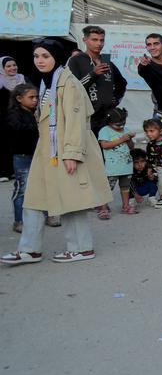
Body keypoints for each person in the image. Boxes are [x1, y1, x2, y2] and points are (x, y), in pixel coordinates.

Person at [1, 39, 112, 265]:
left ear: (56, 58)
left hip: (66, 150)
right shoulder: (47, 82)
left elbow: (76, 120)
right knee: (32, 199)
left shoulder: (68, 82)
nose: (39, 60)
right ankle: (30, 250)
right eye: (36, 56)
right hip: (47, 151)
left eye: (45, 56)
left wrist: (72, 153)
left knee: (71, 200)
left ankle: (81, 248)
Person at [67, 25, 127, 135]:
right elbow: (73, 87)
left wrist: (116, 98)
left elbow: (122, 83)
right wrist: (93, 74)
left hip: (107, 117)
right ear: (85, 40)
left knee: (106, 149)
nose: (99, 43)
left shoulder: (106, 61)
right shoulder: (76, 60)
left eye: (101, 40)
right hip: (87, 116)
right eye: (94, 40)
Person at [7, 83, 38, 233]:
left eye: (36, 97)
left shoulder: (33, 112)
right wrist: (37, 126)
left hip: (36, 155)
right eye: (31, 97)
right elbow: (17, 129)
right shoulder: (14, 114)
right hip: (22, 156)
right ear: (19, 98)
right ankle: (19, 221)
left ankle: (45, 216)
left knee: (41, 187)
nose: (35, 100)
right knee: (22, 189)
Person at [97, 108, 136, 218]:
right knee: (108, 188)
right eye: (117, 124)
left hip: (126, 166)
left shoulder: (126, 130)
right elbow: (104, 145)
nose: (121, 126)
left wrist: (129, 140)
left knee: (125, 187)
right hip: (112, 168)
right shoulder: (105, 130)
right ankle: (103, 208)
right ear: (109, 122)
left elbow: (131, 147)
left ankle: (126, 206)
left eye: (123, 123)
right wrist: (122, 139)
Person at [0, 55, 26, 182]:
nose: (12, 68)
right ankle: (3, 172)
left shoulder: (22, 79)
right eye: (8, 66)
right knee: (3, 145)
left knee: (17, 145)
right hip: (3, 119)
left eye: (14, 65)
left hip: (19, 118)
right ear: (2, 68)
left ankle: (15, 171)